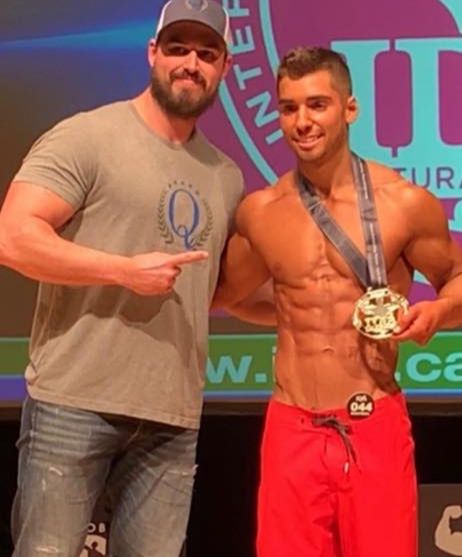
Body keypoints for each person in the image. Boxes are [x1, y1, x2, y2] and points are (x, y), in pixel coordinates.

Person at [0, 1, 244, 556]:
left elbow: (215, 290)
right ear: (152, 53)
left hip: (171, 420)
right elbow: (12, 238)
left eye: (207, 54)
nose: (191, 63)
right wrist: (122, 271)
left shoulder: (226, 176)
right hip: (73, 403)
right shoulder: (87, 137)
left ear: (224, 68)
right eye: (178, 48)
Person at [213, 46, 462, 557]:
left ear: (350, 109)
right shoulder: (262, 212)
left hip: (373, 421)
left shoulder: (404, 203)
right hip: (292, 428)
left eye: (317, 105)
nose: (302, 122)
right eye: (289, 108)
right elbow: (221, 297)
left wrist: (437, 312)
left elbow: (457, 279)